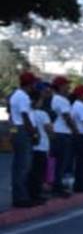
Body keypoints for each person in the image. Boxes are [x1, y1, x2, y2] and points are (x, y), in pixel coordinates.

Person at [9, 71, 36, 207]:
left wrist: (12, 132)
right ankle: (21, 198)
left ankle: (19, 196)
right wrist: (33, 132)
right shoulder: (23, 97)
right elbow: (25, 116)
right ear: (30, 84)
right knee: (23, 165)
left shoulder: (15, 95)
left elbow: (12, 117)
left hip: (17, 130)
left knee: (18, 165)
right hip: (23, 131)